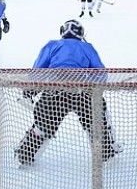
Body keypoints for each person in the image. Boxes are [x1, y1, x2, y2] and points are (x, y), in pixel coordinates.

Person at [14, 19, 121, 166]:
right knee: (97, 121)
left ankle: (25, 155)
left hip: (54, 93)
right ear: (81, 33)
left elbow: (37, 72)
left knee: (43, 125)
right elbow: (101, 74)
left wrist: (30, 90)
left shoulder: (52, 45)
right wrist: (93, 86)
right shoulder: (86, 47)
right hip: (83, 93)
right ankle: (106, 152)